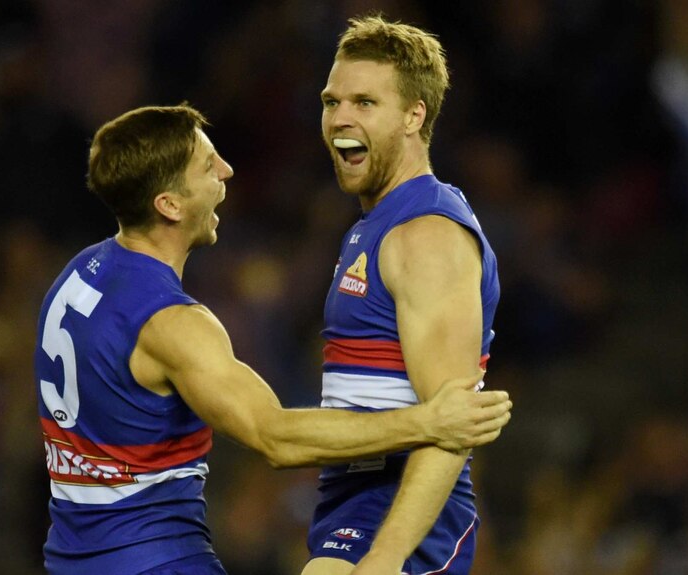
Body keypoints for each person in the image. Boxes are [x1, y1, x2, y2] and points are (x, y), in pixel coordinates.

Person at [34, 105, 512, 575]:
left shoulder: (77, 276)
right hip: (156, 561)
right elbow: (275, 437)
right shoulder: (170, 325)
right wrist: (429, 421)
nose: (226, 170)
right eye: (207, 166)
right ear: (170, 205)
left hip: (71, 557)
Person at [302, 16, 503, 575]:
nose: (340, 117)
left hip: (400, 517)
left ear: (415, 116)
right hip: (355, 503)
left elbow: (450, 426)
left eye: (365, 103)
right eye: (331, 100)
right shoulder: (377, 225)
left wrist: (383, 560)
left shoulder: (427, 236)